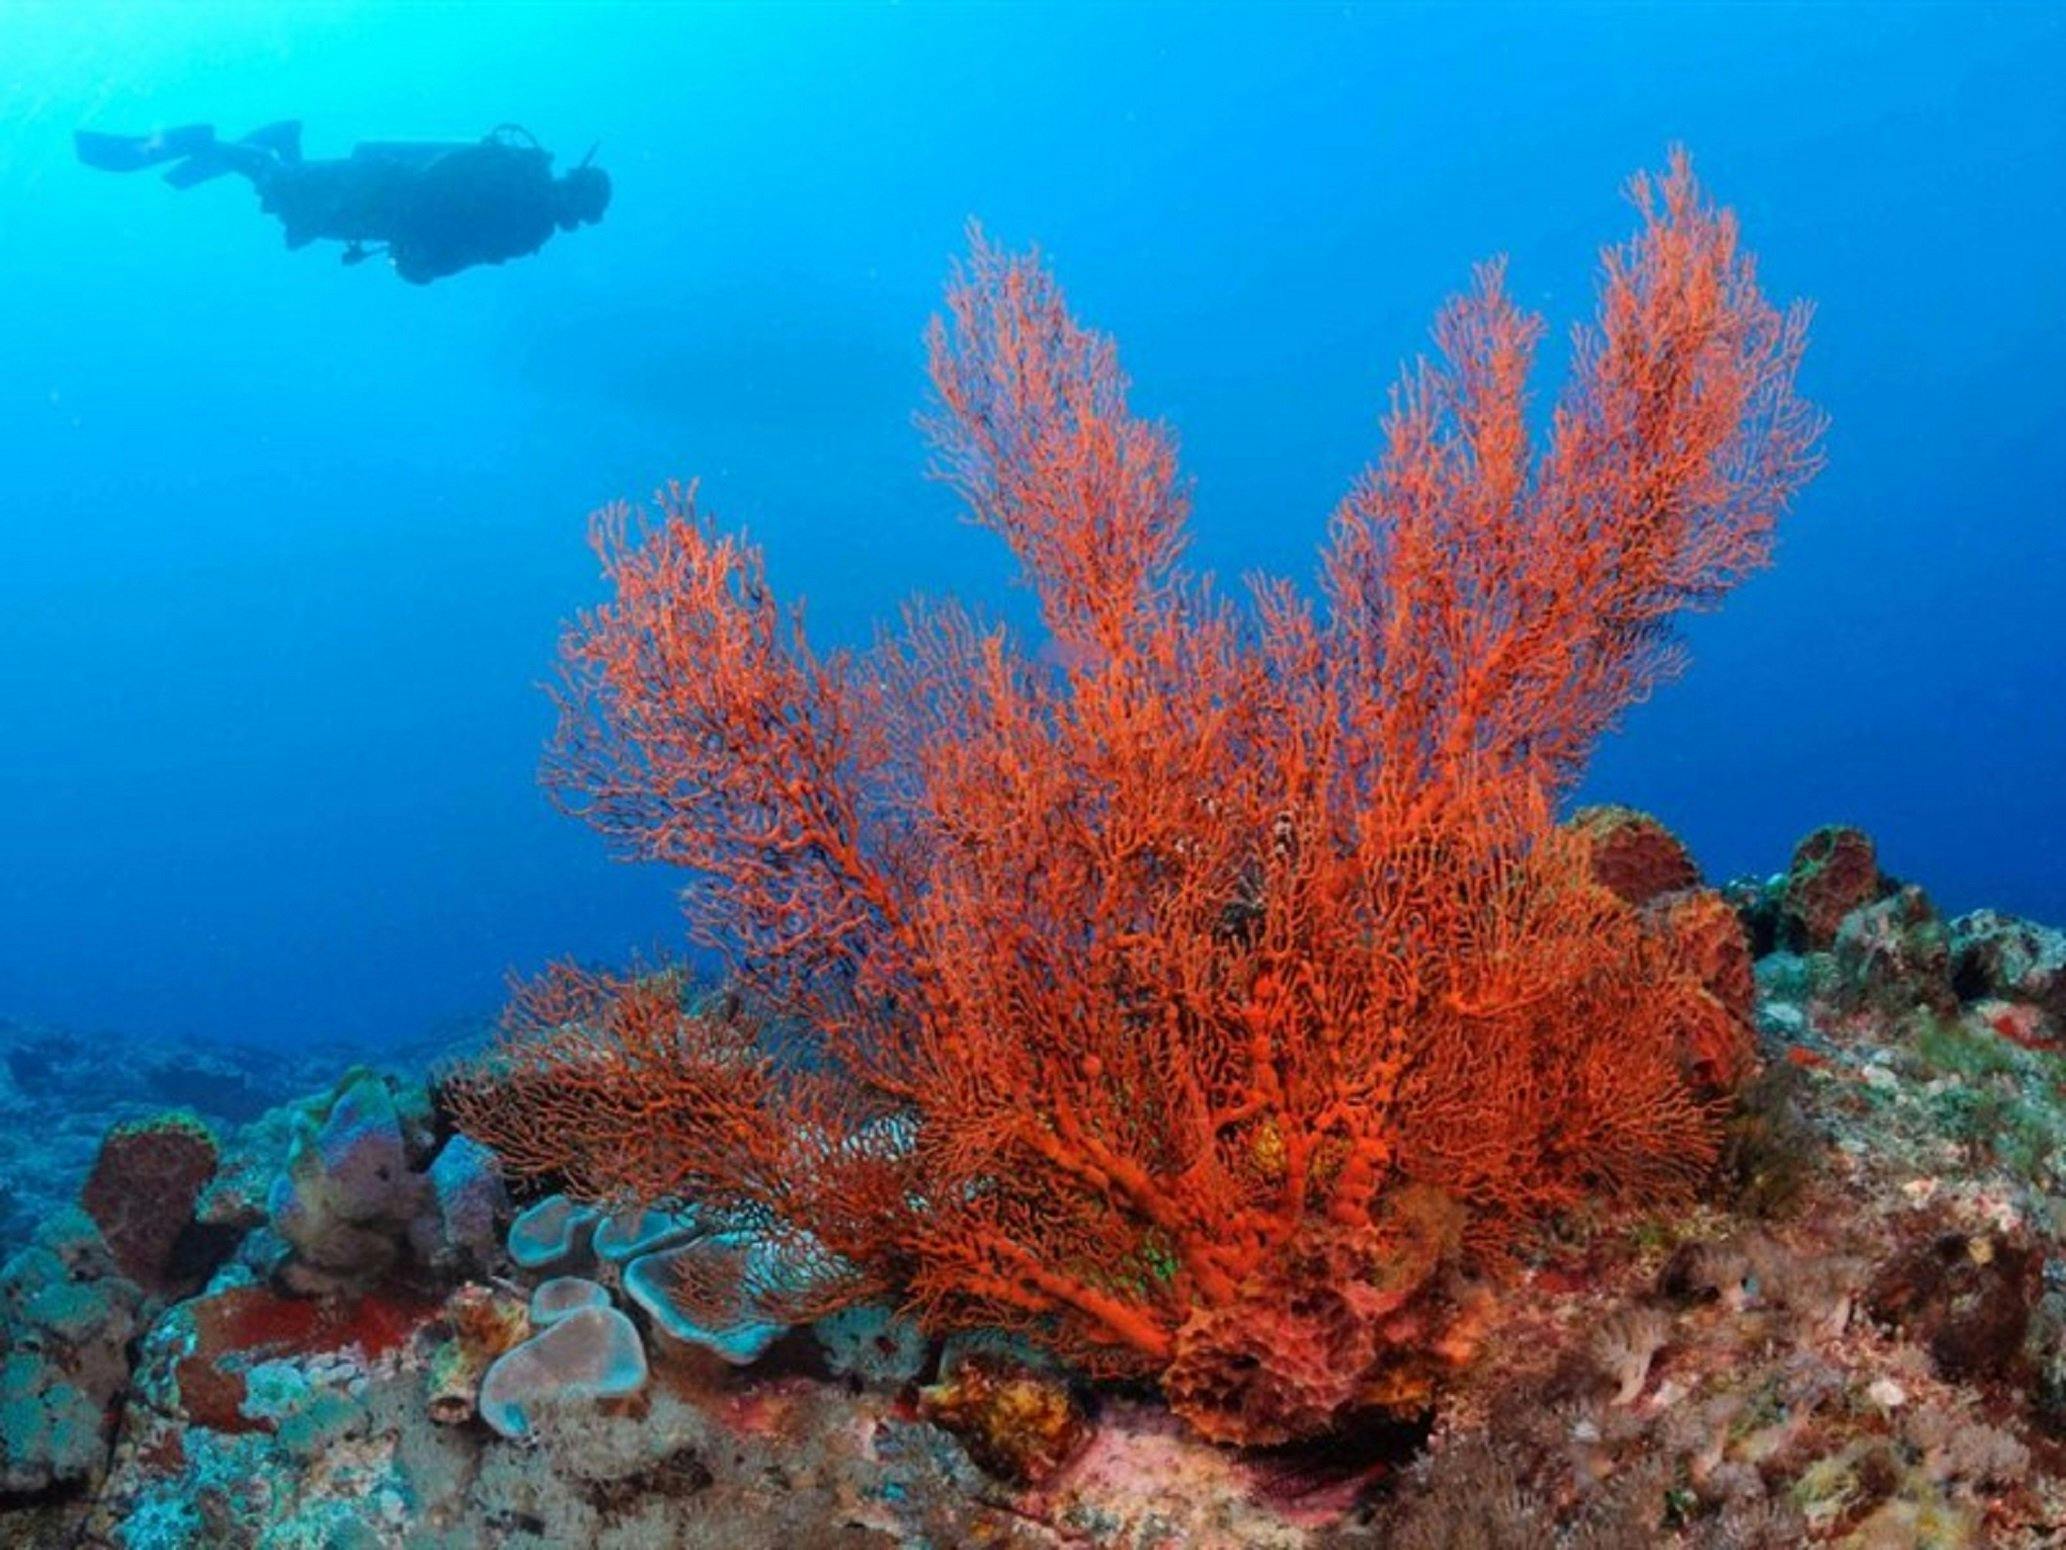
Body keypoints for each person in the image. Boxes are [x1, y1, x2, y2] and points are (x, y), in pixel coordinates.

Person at [75, 121, 610, 284]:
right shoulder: (526, 222)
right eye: (581, 214)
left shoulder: (522, 176)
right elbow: (456, 253)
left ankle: (280, 142)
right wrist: (414, 263)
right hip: (380, 201)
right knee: (283, 192)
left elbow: (452, 177)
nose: (572, 220)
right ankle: (194, 143)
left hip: (381, 190)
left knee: (290, 198)